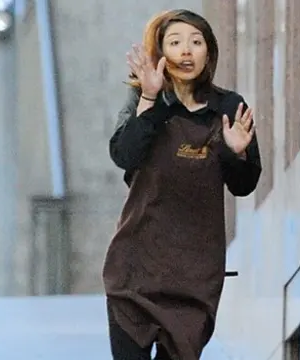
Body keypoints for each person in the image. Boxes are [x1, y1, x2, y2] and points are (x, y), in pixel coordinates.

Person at [103, 9, 261, 360]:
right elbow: (124, 156)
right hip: (135, 269)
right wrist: (149, 99)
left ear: (209, 52)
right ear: (161, 54)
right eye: (175, 43)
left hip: (194, 277)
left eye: (196, 42)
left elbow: (244, 185)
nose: (186, 51)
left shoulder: (229, 107)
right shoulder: (144, 100)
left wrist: (237, 153)